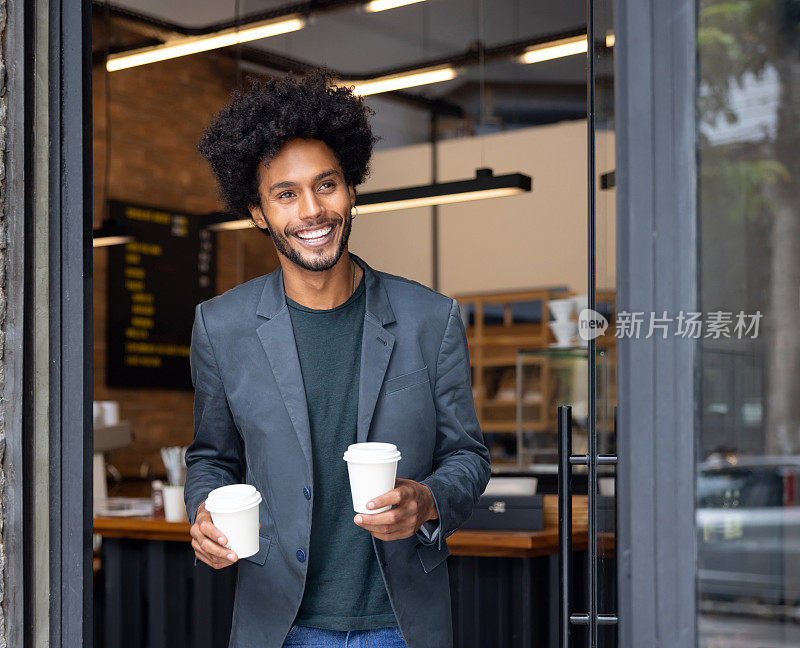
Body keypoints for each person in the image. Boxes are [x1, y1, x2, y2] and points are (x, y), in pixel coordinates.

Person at [185, 68, 490, 648]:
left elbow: (467, 456)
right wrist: (205, 515)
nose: (312, 211)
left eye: (326, 185)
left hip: (400, 625)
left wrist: (427, 500)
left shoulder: (431, 319)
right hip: (279, 623)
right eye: (285, 194)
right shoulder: (220, 326)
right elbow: (211, 456)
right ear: (258, 213)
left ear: (351, 190)